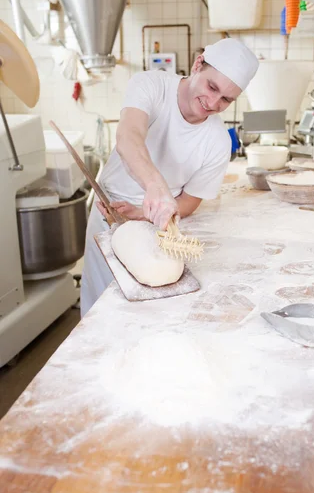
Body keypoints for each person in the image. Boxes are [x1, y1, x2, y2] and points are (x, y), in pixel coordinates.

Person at [80, 38, 259, 316]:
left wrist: (144, 211)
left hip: (160, 225)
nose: (213, 102)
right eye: (212, 87)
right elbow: (129, 136)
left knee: (150, 313)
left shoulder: (218, 141)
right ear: (198, 64)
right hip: (108, 210)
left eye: (226, 99)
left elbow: (189, 200)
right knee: (101, 308)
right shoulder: (152, 85)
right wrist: (156, 187)